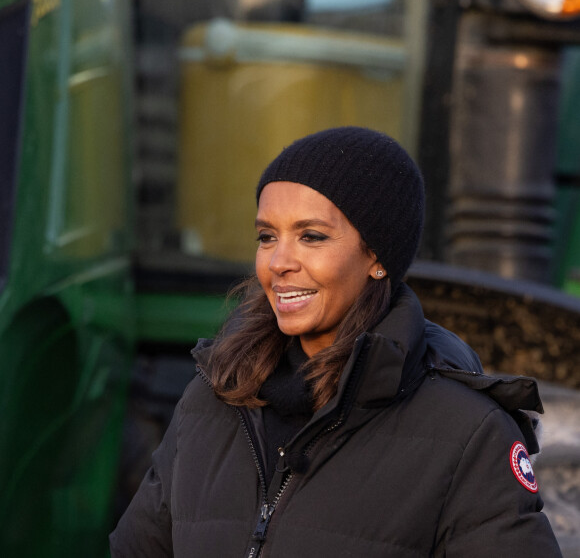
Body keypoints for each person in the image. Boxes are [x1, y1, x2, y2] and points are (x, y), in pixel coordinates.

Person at [110, 127, 562, 557]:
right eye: (267, 237)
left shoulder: (469, 433)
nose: (279, 262)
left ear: (377, 258)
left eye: (311, 236)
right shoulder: (212, 399)